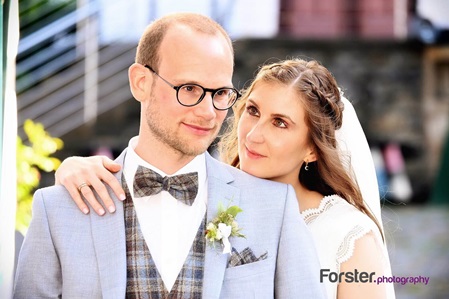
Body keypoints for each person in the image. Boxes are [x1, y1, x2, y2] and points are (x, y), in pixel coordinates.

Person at [14, 13, 325, 299]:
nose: (208, 113)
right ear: (141, 82)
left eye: (219, 94)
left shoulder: (275, 207)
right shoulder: (57, 210)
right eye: (189, 88)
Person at [54, 59, 396, 299]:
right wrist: (72, 167)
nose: (253, 135)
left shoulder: (348, 237)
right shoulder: (200, 192)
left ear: (312, 149)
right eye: (253, 111)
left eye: (280, 123)